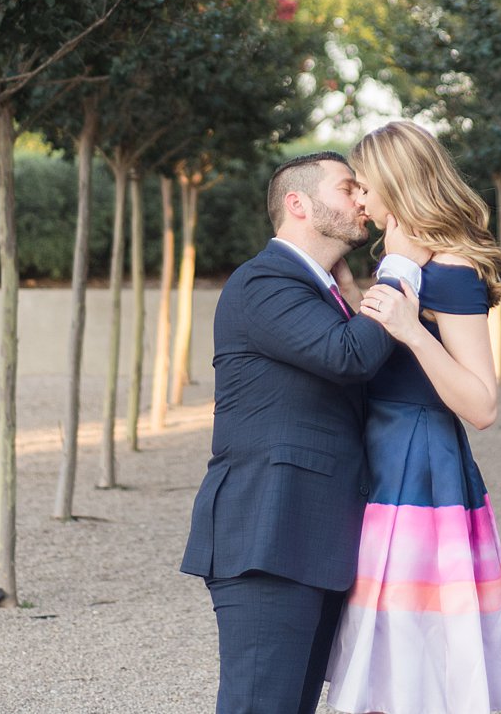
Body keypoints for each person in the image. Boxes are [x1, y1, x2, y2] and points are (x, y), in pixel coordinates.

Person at [180, 151, 408, 714]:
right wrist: (401, 268)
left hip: (311, 539)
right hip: (268, 536)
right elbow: (349, 356)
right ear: (298, 203)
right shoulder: (263, 282)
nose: (361, 199)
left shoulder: (323, 291)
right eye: (347, 188)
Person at [330, 122, 501, 714]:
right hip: (385, 457)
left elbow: (483, 404)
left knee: (416, 645)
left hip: (420, 469)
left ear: (397, 184)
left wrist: (411, 333)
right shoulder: (409, 259)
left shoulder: (452, 268)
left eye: (365, 188)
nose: (360, 201)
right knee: (389, 643)